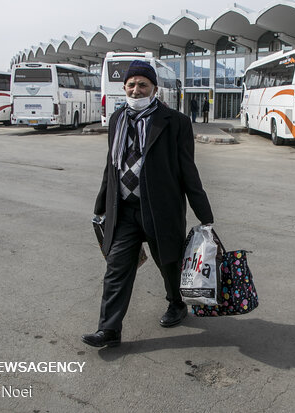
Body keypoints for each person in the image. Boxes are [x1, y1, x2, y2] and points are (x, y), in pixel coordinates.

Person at [82, 60, 214, 348]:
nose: (136, 89)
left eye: (142, 84)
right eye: (131, 84)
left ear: (154, 88)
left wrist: (204, 215)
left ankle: (176, 303)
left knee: (169, 264)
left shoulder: (174, 122)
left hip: (160, 210)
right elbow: (111, 167)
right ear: (124, 88)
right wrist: (101, 205)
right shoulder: (117, 119)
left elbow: (187, 170)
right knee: (116, 269)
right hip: (125, 211)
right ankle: (109, 330)